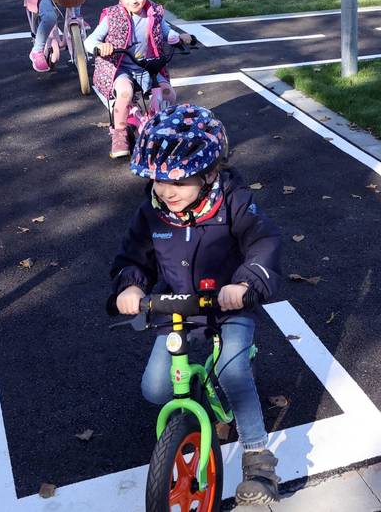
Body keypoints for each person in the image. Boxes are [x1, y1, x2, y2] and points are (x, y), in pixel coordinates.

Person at [110, 105, 282, 505]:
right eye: (157, 180)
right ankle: (202, 402)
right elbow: (133, 257)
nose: (166, 191)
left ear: (210, 175)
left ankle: (258, 459)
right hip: (178, 309)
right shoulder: (153, 212)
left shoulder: (234, 203)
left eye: (179, 182)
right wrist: (130, 287)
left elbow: (264, 243)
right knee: (155, 388)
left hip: (228, 305)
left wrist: (246, 282)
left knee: (233, 370)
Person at [84, 0, 181, 159]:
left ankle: (165, 126)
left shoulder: (154, 12)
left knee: (168, 94)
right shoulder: (112, 16)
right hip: (121, 68)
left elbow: (165, 31)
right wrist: (99, 46)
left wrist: (175, 37)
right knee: (125, 93)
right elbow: (91, 39)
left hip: (149, 67)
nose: (133, 0)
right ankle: (119, 133)